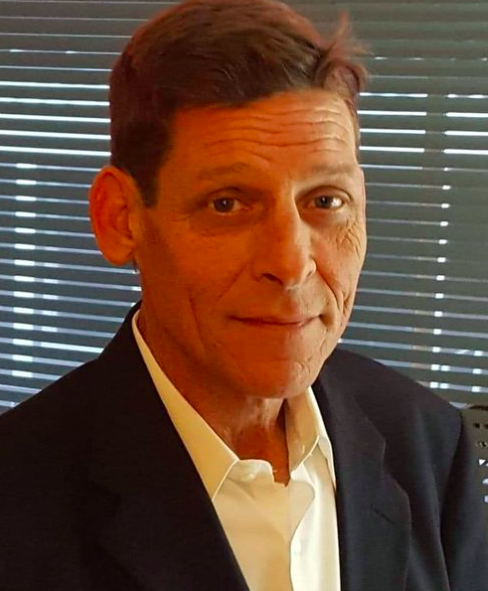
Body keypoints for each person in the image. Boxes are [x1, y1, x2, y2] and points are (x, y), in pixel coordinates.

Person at [0, 0, 487, 589]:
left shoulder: (427, 442)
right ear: (120, 219)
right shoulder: (19, 498)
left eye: (325, 201)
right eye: (227, 203)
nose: (291, 264)